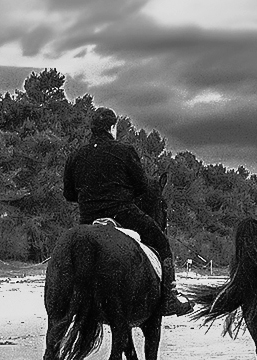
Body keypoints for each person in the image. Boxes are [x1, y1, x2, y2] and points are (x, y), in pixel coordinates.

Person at [62, 107, 190, 316]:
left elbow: (68, 194)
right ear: (113, 127)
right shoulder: (124, 150)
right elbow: (141, 187)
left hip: (87, 219)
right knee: (161, 240)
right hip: (122, 213)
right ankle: (169, 296)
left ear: (92, 129)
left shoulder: (75, 155)